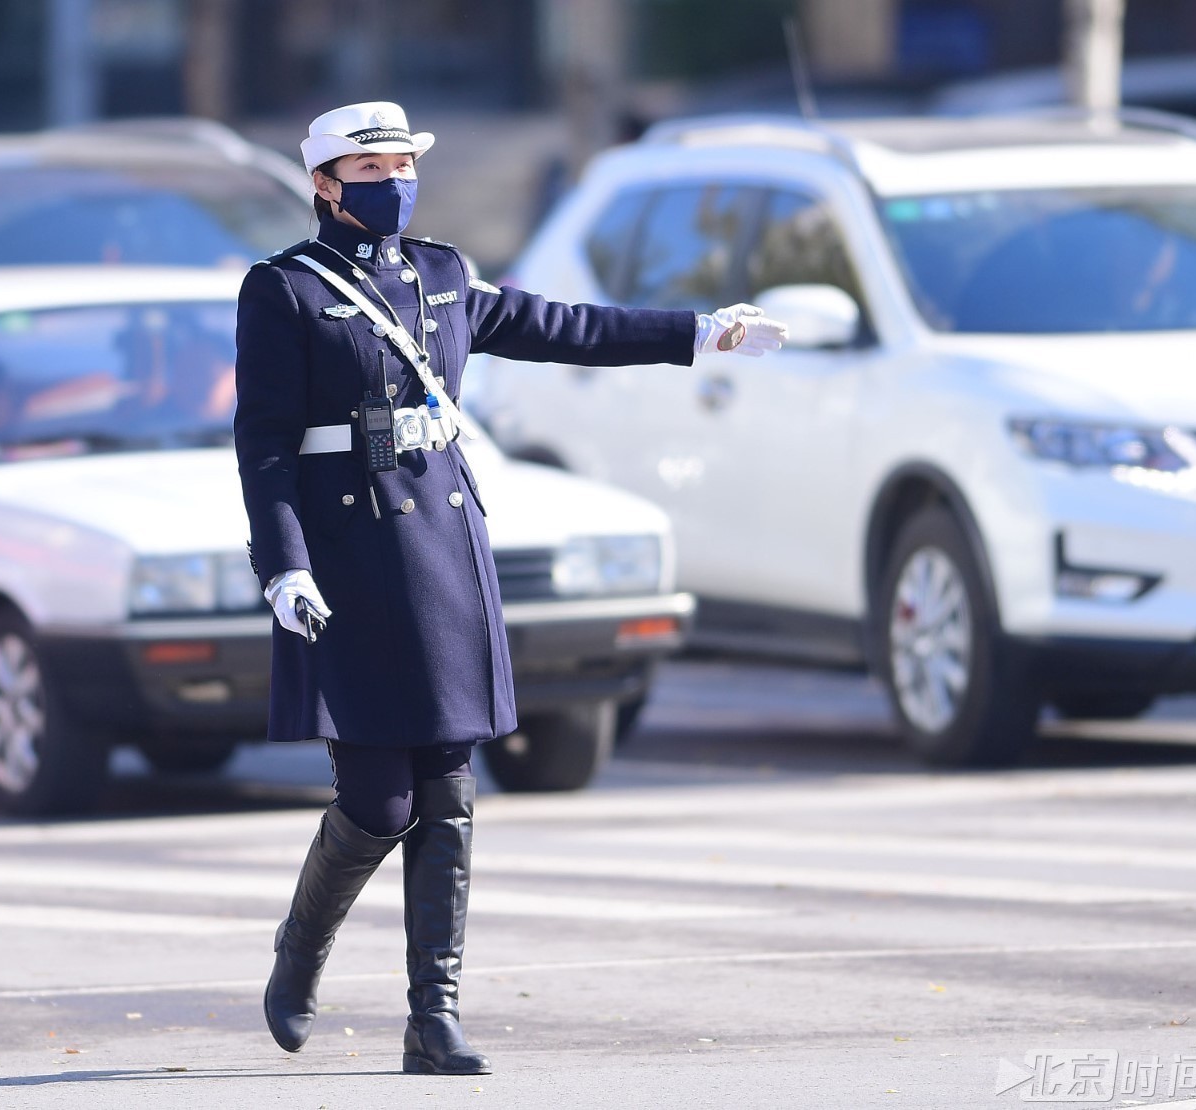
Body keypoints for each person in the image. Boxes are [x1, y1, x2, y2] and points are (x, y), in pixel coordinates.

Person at [233, 101, 786, 1077]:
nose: (393, 182)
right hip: (349, 560)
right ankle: (300, 949)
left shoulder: (440, 274)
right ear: (323, 183)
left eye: (403, 163)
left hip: (442, 549)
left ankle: (431, 1019)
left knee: (448, 787)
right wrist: (282, 565)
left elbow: (558, 326)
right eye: (371, 169)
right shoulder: (282, 292)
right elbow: (266, 450)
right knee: (376, 800)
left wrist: (701, 334)